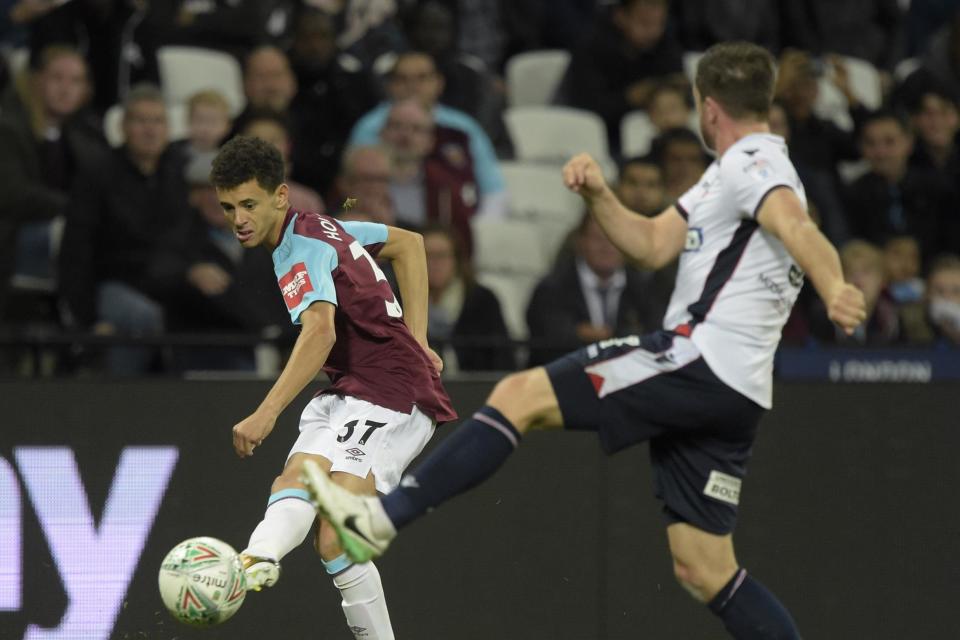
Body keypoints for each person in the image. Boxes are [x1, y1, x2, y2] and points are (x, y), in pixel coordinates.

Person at [302, 42, 867, 639]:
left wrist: (834, 285)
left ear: (707, 108)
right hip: (738, 391)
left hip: (699, 359)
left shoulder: (753, 164)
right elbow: (651, 245)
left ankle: (380, 520)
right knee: (705, 568)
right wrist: (601, 195)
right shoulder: (729, 174)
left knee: (520, 394)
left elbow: (795, 225)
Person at [209, 135, 456, 640]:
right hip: (351, 389)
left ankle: (255, 561)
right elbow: (409, 244)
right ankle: (255, 560)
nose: (239, 219)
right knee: (295, 480)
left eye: (249, 204)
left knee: (336, 536)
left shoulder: (297, 250)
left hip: (393, 392)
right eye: (229, 207)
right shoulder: (322, 226)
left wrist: (267, 412)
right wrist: (419, 335)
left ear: (280, 196)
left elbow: (319, 330)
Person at [526, 213, 668, 365]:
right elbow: (552, 338)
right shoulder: (552, 288)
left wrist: (593, 334)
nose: (606, 246)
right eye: (598, 238)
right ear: (580, 241)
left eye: (614, 238)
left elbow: (657, 335)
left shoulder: (645, 289)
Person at [423, 225, 513, 372]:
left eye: (442, 255)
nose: (435, 264)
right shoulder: (400, 301)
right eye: (427, 255)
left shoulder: (483, 301)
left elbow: (502, 360)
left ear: (456, 260)